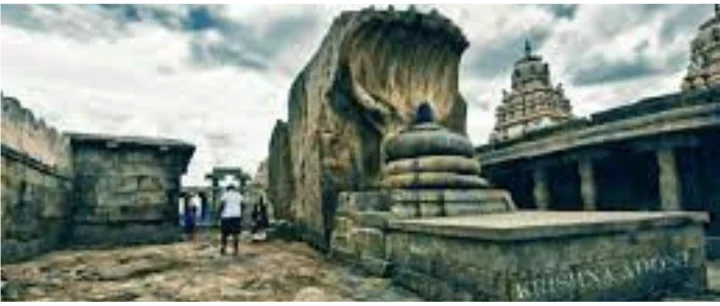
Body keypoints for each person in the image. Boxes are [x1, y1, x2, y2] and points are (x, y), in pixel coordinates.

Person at [218, 184, 243, 255]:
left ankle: (223, 248)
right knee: (235, 234)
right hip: (236, 216)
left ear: (227, 189)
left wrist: (219, 213)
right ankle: (235, 250)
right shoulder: (239, 195)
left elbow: (221, 205)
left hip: (226, 216)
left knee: (224, 234)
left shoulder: (225, 195)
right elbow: (243, 205)